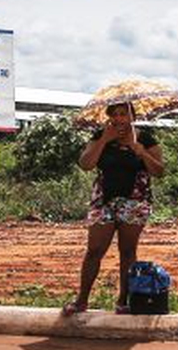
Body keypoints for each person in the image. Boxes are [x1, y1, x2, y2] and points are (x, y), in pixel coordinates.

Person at [64, 102, 165, 315]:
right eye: (116, 114)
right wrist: (104, 140)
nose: (120, 118)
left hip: (135, 202)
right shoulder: (101, 136)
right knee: (94, 250)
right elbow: (86, 164)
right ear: (109, 117)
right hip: (104, 201)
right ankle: (82, 300)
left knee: (127, 252)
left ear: (132, 116)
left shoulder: (144, 139)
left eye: (125, 114)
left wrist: (143, 154)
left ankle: (124, 301)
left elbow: (159, 171)